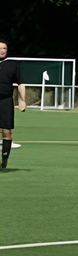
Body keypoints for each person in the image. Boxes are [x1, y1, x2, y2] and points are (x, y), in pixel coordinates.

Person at [0, 39, 27, 170]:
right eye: (0, 48)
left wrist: (22, 100)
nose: (2, 50)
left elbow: (20, 83)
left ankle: (4, 159)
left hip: (5, 101)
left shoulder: (12, 65)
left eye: (4, 48)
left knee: (6, 131)